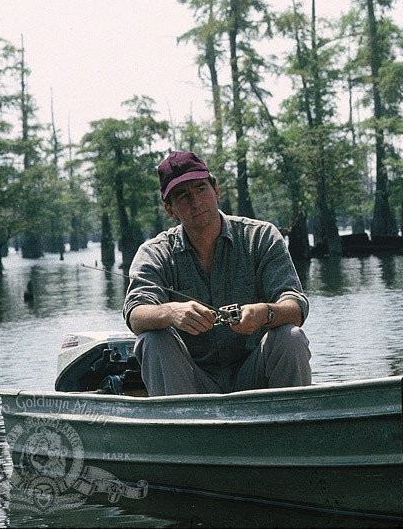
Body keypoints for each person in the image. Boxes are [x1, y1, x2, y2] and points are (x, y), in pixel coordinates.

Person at [123, 150, 312, 395]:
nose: (195, 201)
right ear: (170, 210)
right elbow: (135, 313)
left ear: (216, 190)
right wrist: (171, 312)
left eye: (201, 189)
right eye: (183, 196)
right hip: (189, 382)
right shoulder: (155, 252)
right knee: (152, 340)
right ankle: (180, 427)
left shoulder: (260, 237)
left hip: (255, 375)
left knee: (290, 337)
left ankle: (292, 425)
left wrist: (264, 313)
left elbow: (296, 307)